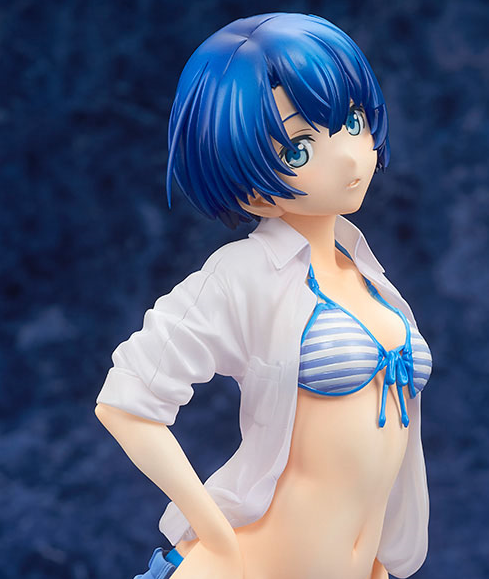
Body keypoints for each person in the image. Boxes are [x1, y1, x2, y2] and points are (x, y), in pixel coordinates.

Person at [95, 13, 432, 579]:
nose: (349, 156)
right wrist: (217, 538)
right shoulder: (243, 273)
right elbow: (126, 403)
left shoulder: (364, 271)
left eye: (351, 122)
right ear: (248, 183)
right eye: (298, 148)